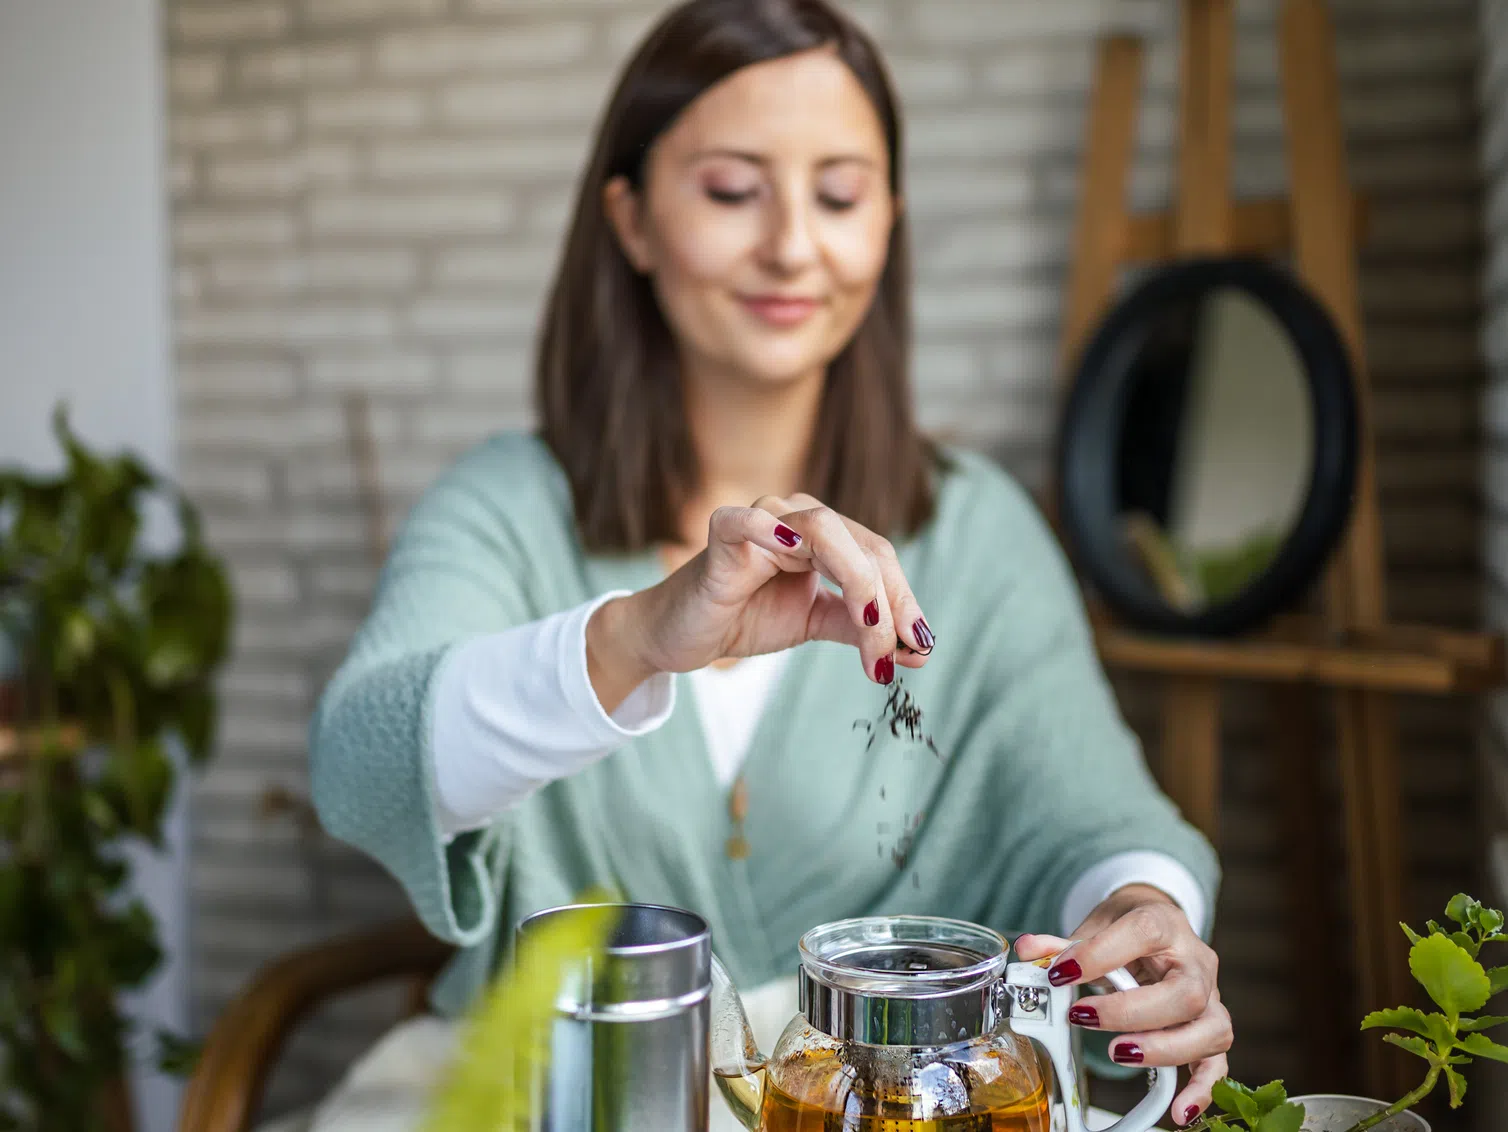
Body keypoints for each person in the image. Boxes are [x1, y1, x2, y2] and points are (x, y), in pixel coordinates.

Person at [309, 0, 1229, 1125]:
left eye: (839, 195)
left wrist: (1142, 921)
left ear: (887, 219)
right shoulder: (507, 504)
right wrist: (637, 637)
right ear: (633, 219)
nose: (793, 243)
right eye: (733, 190)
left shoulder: (978, 530)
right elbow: (359, 768)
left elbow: (1094, 816)